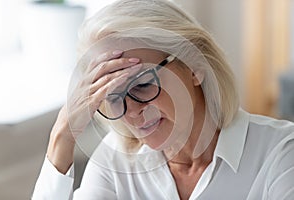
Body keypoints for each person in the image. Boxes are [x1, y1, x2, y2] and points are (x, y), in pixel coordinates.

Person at [32, 0, 294, 199]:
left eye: (143, 84)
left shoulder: (279, 153)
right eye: (113, 96)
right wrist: (62, 137)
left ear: (194, 65)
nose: (131, 111)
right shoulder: (115, 162)